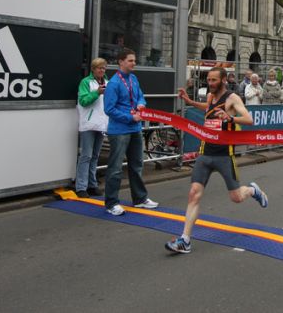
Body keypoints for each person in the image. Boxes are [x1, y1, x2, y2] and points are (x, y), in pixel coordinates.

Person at [169, 68, 268, 253]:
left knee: (236, 197)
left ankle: (253, 190)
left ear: (223, 80)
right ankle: (185, 240)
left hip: (224, 155)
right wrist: (190, 102)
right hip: (205, 152)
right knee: (194, 193)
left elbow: (249, 119)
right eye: (208, 80)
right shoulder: (210, 96)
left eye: (214, 80)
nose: (210, 83)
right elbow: (208, 109)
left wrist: (230, 118)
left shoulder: (232, 98)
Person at [102, 49, 158, 215]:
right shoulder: (113, 83)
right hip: (119, 130)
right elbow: (109, 109)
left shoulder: (133, 78)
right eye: (130, 60)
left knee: (137, 164)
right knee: (115, 168)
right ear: (121, 62)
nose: (134, 63)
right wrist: (130, 117)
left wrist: (141, 104)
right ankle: (111, 203)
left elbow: (140, 96)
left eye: (134, 60)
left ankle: (140, 199)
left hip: (135, 128)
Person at [75, 58, 108, 198]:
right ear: (93, 69)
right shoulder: (86, 82)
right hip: (88, 124)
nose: (102, 70)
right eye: (99, 68)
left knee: (95, 156)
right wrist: (96, 93)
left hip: (101, 123)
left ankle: (92, 185)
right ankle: (81, 187)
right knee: (86, 156)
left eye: (104, 68)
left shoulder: (107, 82)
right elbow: (83, 101)